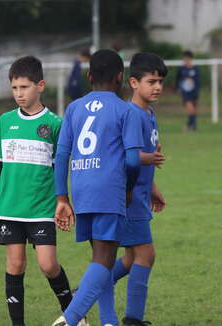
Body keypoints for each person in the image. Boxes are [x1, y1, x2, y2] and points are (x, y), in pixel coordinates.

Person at [0, 56, 87, 326]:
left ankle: (75, 315)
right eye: (15, 88)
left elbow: (62, 167)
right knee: (15, 265)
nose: (19, 94)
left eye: (25, 87)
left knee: (47, 265)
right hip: (9, 207)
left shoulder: (55, 124)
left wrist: (62, 201)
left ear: (40, 86)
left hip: (42, 208)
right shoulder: (5, 121)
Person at [52, 49, 144, 326]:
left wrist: (62, 197)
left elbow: (61, 155)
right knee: (104, 260)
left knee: (100, 258)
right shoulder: (126, 110)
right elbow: (132, 160)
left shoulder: (74, 108)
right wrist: (128, 189)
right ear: (121, 78)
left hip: (81, 188)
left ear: (89, 76)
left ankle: (108, 320)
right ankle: (69, 319)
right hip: (108, 189)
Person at [98, 52, 167, 326]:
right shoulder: (130, 115)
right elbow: (121, 157)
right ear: (134, 82)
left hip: (139, 193)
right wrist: (148, 159)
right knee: (145, 254)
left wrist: (152, 187)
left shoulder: (149, 114)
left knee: (130, 256)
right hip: (126, 195)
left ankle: (89, 289)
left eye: (161, 81)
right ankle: (133, 319)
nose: (158, 87)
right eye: (152, 81)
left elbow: (144, 156)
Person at [176, 50, 200, 131]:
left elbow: (198, 82)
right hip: (185, 93)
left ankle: (193, 126)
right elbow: (178, 79)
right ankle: (189, 125)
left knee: (193, 110)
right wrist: (178, 89)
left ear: (191, 59)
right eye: (184, 59)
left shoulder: (196, 69)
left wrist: (197, 92)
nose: (185, 60)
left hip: (194, 92)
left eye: (187, 59)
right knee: (190, 109)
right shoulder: (181, 69)